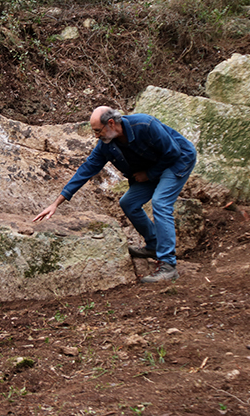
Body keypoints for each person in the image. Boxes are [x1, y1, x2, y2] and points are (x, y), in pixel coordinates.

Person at [33, 106, 197, 283]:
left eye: (97, 130)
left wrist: (149, 175)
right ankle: (153, 245)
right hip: (152, 168)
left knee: (160, 203)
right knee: (128, 203)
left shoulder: (145, 124)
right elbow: (86, 170)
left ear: (111, 123)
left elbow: (173, 152)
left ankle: (168, 266)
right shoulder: (106, 145)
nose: (96, 136)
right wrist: (56, 203)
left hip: (177, 160)